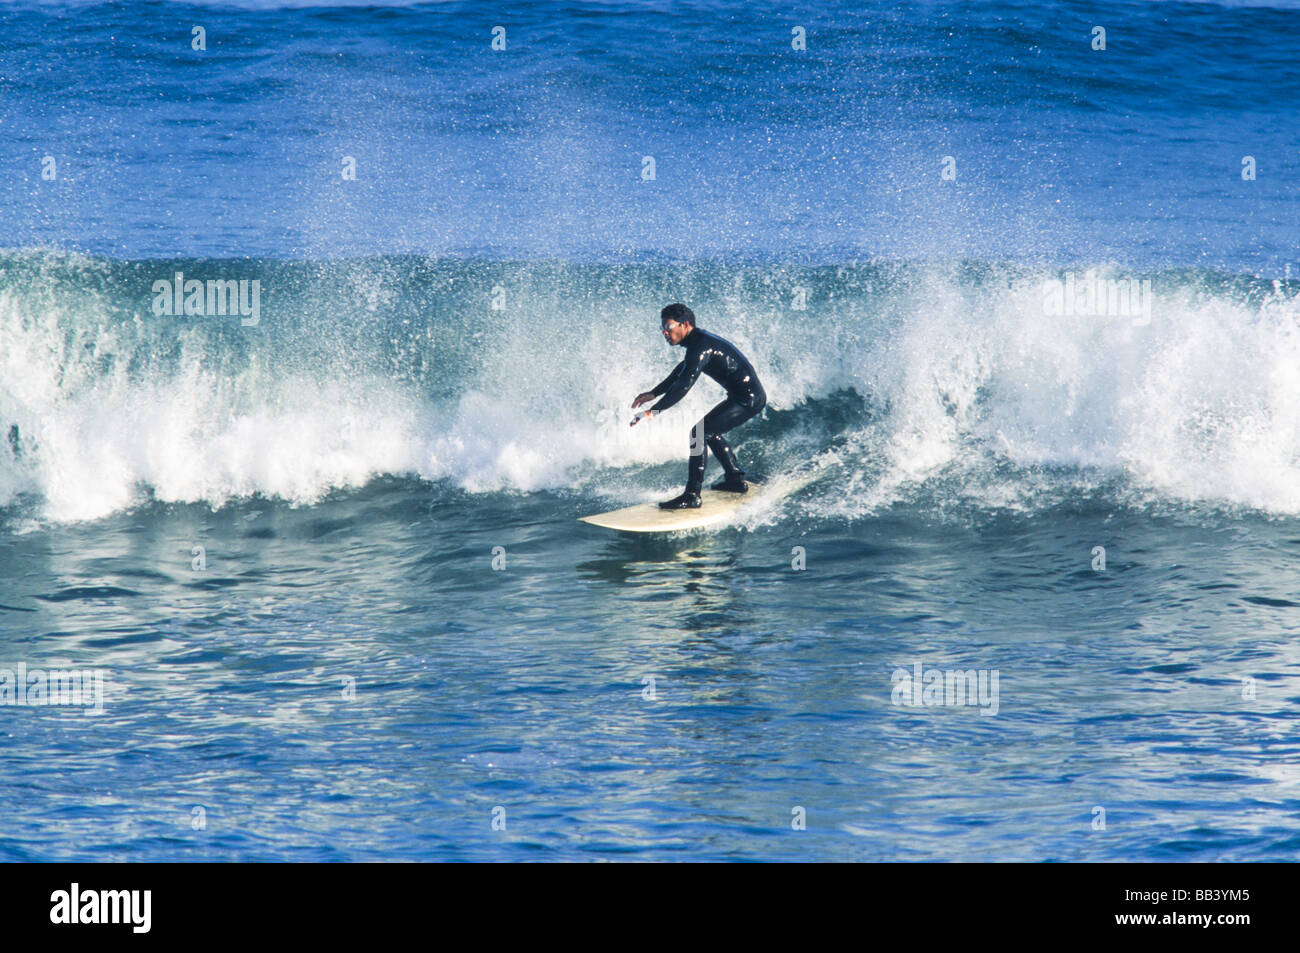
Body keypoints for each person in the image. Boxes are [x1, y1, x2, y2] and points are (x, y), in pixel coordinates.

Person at [631, 303, 766, 509]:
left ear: (685, 325)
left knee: (699, 433)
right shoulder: (697, 343)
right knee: (708, 431)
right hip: (742, 397)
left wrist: (653, 411)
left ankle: (692, 495)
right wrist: (654, 393)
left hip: (748, 399)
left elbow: (684, 385)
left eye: (668, 327)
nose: (665, 332)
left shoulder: (701, 346)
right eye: (662, 328)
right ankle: (735, 480)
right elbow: (682, 371)